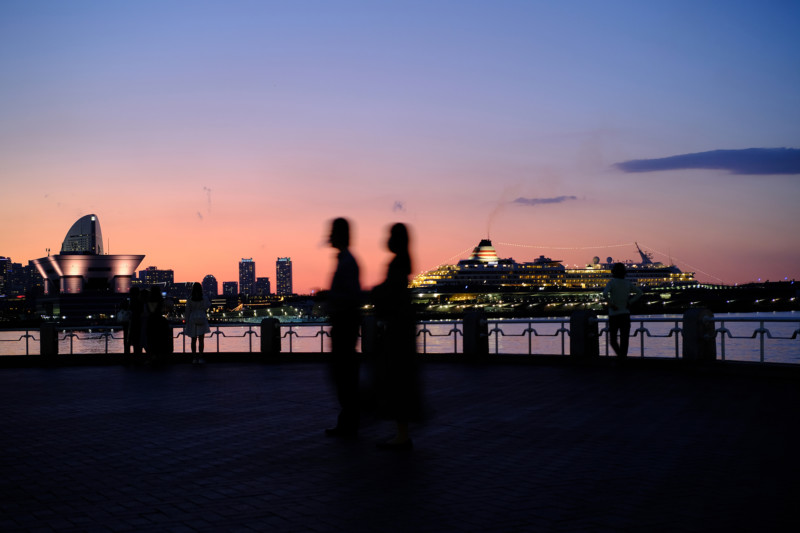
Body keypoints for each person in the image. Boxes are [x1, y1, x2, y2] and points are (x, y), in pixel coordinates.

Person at [371, 223, 423, 450]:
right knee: (400, 378)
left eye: (391, 235)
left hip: (398, 327)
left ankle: (402, 435)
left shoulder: (399, 261)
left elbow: (391, 290)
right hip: (402, 325)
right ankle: (401, 432)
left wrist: (373, 293)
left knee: (398, 377)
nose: (387, 238)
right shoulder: (404, 259)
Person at [325, 218, 362, 438]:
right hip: (345, 325)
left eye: (333, 232)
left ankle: (350, 421)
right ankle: (349, 420)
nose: (330, 235)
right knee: (343, 375)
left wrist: (329, 296)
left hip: (345, 325)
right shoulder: (345, 260)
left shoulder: (348, 262)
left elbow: (351, 296)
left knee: (343, 375)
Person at [603, 263, 643, 362]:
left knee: (613, 340)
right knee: (624, 339)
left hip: (614, 315)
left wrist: (611, 304)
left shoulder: (611, 283)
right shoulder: (627, 283)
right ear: (624, 273)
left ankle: (621, 358)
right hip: (625, 314)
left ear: (613, 272)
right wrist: (630, 302)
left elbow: (604, 293)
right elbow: (639, 293)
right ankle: (623, 359)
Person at [144, 286, 173, 366]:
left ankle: (151, 357)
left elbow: (148, 311)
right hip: (159, 321)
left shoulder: (148, 301)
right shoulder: (161, 301)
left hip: (150, 322)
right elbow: (169, 307)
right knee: (160, 340)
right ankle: (159, 357)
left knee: (151, 340)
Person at [184, 282, 211, 364]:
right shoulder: (204, 298)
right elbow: (207, 306)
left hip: (192, 318)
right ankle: (201, 357)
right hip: (201, 317)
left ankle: (194, 358)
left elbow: (187, 311)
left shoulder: (190, 298)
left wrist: (187, 321)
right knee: (201, 340)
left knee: (193, 340)